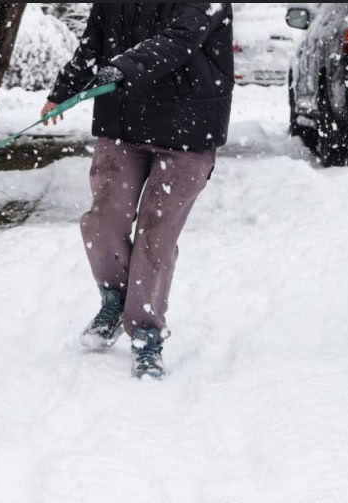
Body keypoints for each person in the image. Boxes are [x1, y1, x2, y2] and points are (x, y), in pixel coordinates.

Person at [41, 4, 234, 379]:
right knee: (102, 220)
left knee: (156, 233)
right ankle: (114, 301)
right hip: (123, 123)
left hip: (188, 131)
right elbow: (93, 42)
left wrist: (122, 68)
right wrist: (64, 89)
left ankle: (146, 332)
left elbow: (180, 40)